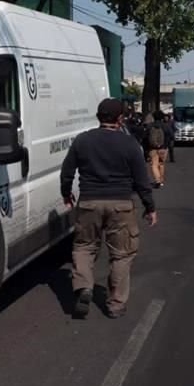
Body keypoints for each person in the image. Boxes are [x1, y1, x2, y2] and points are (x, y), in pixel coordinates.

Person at [60, 98, 157, 319]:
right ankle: (115, 305)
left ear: (98, 117)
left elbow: (67, 171)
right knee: (121, 255)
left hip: (89, 202)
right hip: (121, 204)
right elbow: (142, 180)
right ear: (120, 118)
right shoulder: (130, 143)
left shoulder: (82, 141)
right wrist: (149, 207)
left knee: (84, 246)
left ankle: (84, 286)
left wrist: (67, 193)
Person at [144, 110, 171, 188]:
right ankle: (161, 180)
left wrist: (146, 147)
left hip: (152, 148)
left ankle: (157, 180)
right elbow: (171, 135)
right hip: (163, 148)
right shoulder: (166, 126)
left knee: (154, 165)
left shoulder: (149, 126)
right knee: (161, 164)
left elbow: (145, 136)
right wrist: (166, 144)